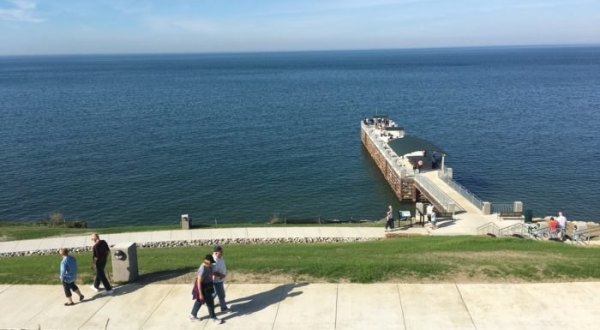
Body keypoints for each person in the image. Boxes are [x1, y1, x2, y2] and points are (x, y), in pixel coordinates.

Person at [190, 254, 223, 324]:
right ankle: (213, 317)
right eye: (205, 262)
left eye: (208, 263)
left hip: (208, 285)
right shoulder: (202, 269)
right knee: (210, 302)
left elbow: (213, 272)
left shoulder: (210, 266)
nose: (206, 264)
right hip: (203, 286)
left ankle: (192, 315)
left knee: (199, 301)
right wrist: (201, 294)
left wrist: (220, 275)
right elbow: (199, 282)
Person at [212, 245, 229, 312]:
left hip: (220, 279)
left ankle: (206, 301)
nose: (222, 253)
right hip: (216, 280)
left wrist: (224, 273)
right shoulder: (214, 260)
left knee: (215, 293)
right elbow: (213, 272)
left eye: (222, 251)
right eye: (220, 252)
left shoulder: (220, 257)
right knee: (221, 294)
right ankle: (223, 308)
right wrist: (221, 275)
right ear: (216, 252)